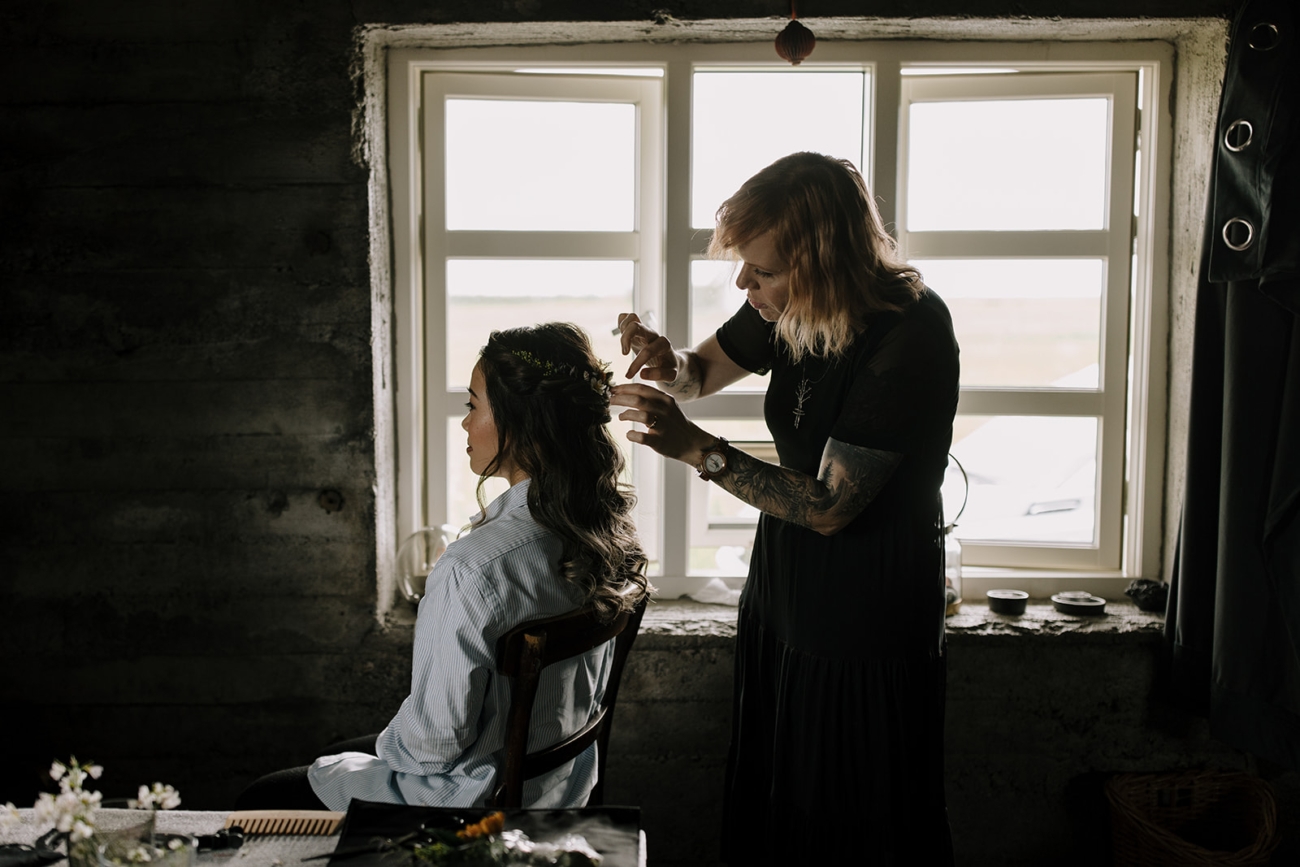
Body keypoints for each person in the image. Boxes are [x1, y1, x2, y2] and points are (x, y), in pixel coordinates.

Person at [610, 152, 959, 864]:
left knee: (853, 807)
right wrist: (664, 359)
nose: (745, 284)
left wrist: (699, 451)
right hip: (785, 588)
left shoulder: (910, 335)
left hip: (863, 607)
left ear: (824, 260)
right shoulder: (791, 303)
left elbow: (832, 505)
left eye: (762, 271)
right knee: (782, 791)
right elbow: (701, 372)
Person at [236, 322, 648, 812]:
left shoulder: (473, 567)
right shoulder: (606, 532)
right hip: (560, 784)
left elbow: (434, 745)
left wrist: (381, 749)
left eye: (473, 405)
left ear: (520, 424)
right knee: (339, 756)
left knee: (264, 795)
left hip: (472, 801)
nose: (464, 423)